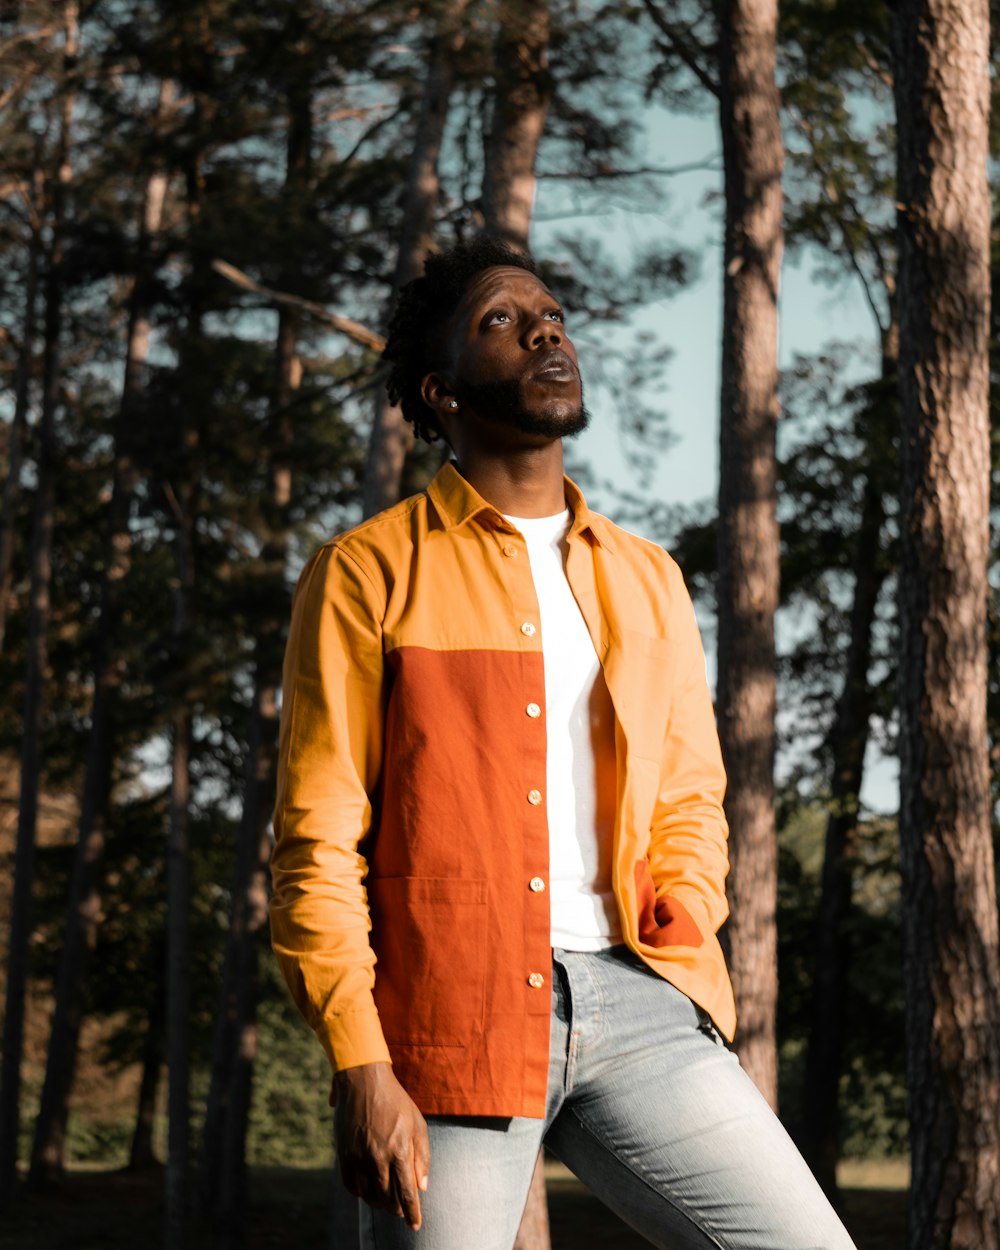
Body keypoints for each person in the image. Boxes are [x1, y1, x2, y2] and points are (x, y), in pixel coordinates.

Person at [270, 236, 858, 1250]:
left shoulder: (646, 576)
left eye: (550, 313)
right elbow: (317, 842)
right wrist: (360, 1059)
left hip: (640, 1002)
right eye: (501, 319)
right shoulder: (368, 572)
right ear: (441, 393)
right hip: (454, 1018)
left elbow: (688, 790)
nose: (545, 327)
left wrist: (684, 910)